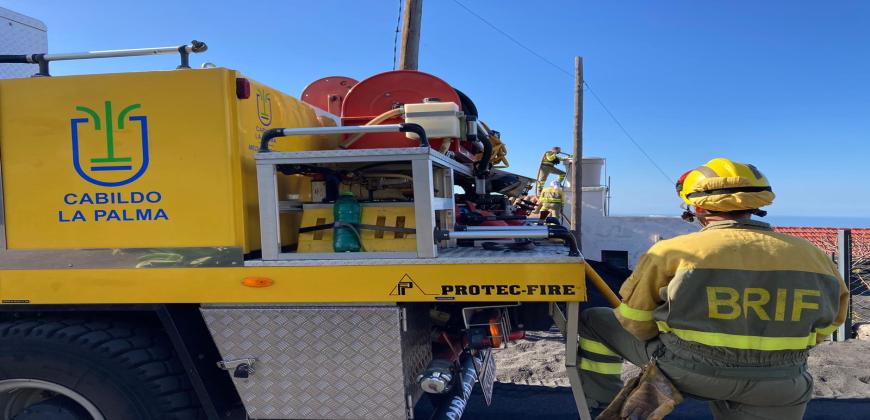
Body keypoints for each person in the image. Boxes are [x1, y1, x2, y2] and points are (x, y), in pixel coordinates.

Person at [578, 158, 848, 419]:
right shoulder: (814, 256)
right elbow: (831, 321)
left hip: (688, 371)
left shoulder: (672, 251)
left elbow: (634, 320)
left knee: (593, 321)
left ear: (698, 208)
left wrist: (669, 341)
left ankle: (600, 404)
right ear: (757, 203)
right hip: (781, 381)